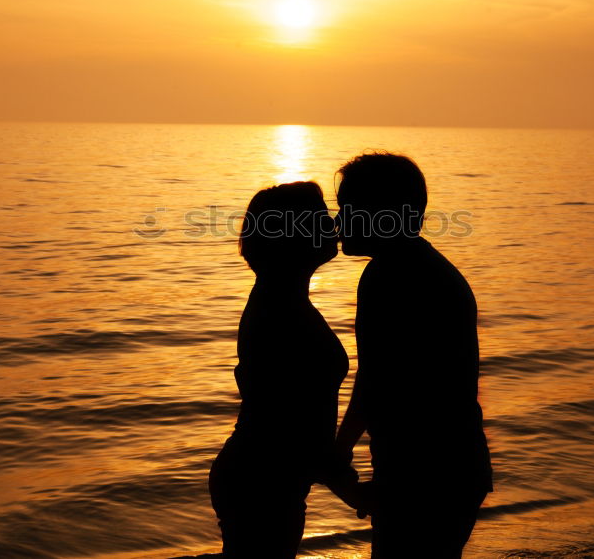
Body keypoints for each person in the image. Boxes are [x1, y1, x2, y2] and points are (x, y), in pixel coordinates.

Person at [332, 153, 493, 558]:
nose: (338, 223)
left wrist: (338, 452)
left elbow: (375, 381)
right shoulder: (425, 266)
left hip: (424, 473)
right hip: (453, 468)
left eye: (347, 210)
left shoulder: (388, 277)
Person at [209, 181, 360, 558]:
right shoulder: (279, 309)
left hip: (273, 477)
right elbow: (284, 417)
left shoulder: (286, 299)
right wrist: (345, 483)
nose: (334, 225)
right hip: (260, 480)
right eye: (322, 218)